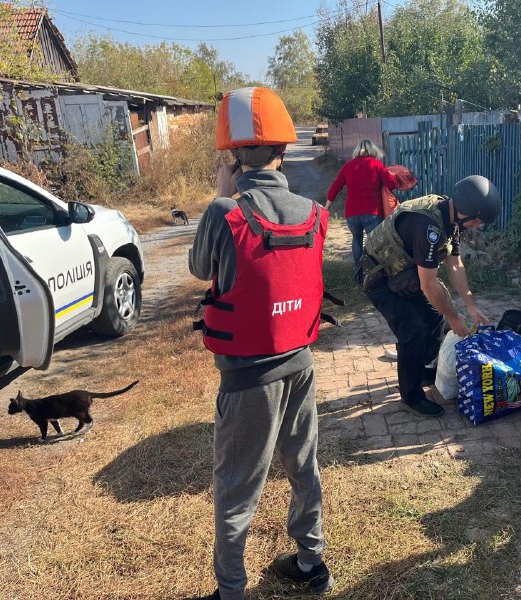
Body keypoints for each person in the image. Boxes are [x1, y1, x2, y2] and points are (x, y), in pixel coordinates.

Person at [189, 87, 333, 599]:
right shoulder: (314, 212)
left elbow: (199, 269)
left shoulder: (224, 211)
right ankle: (311, 562)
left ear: (233, 156)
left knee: (235, 488)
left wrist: (223, 193)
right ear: (283, 151)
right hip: (300, 364)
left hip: (248, 377)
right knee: (303, 465)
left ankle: (231, 591)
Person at [362, 175, 501, 417]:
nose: (478, 226)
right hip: (378, 277)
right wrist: (454, 315)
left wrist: (469, 305)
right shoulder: (427, 227)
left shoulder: (451, 218)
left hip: (403, 275)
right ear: (468, 212)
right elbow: (429, 284)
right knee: (412, 329)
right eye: (478, 221)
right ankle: (411, 396)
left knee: (435, 319)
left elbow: (455, 265)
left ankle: (422, 368)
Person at [326, 139, 398, 283]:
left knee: (356, 240)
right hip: (372, 213)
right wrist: (393, 175)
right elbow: (391, 184)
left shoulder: (348, 166)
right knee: (374, 243)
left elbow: (336, 186)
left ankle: (358, 274)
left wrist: (326, 206)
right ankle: (375, 273)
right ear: (373, 151)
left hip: (352, 214)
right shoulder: (376, 165)